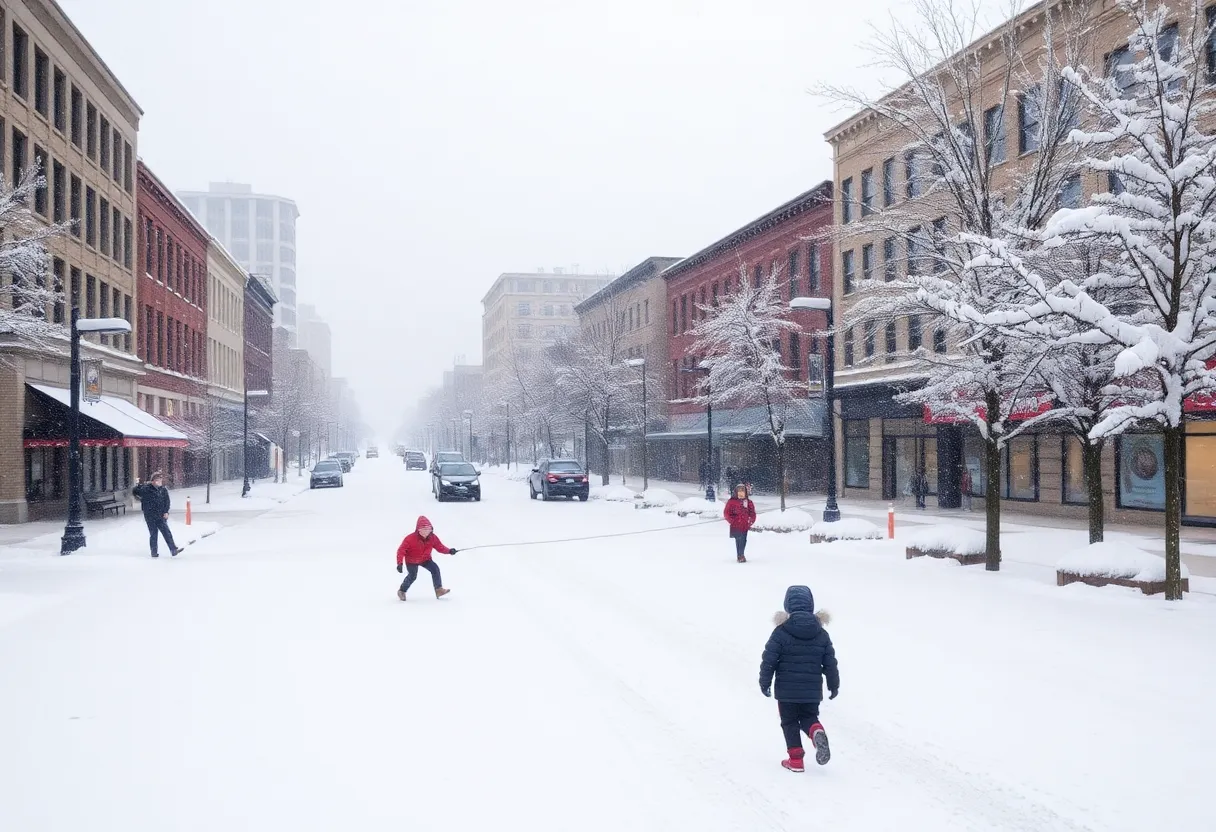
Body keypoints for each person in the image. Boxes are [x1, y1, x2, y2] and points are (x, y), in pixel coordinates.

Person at [759, 585, 839, 773]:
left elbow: (769, 659)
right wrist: (833, 685)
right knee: (808, 717)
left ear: (787, 606)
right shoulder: (821, 633)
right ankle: (815, 730)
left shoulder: (781, 632)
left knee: (789, 721)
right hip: (811, 690)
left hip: (786, 691)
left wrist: (765, 682)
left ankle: (795, 760)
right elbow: (830, 662)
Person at [396, 515, 458, 601]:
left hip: (425, 559)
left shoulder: (432, 538)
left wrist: (449, 551)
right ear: (418, 530)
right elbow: (401, 551)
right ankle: (402, 591)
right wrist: (399, 563)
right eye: (423, 529)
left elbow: (440, 547)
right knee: (413, 576)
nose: (426, 532)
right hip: (412, 560)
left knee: (435, 569)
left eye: (428, 529)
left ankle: (438, 590)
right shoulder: (410, 539)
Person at [132, 472, 181, 558]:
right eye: (157, 480)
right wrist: (138, 486)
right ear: (153, 481)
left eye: (160, 480)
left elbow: (167, 502)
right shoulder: (146, 489)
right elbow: (135, 491)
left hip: (161, 515)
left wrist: (166, 511)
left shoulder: (163, 490)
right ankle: (154, 551)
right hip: (150, 515)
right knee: (153, 533)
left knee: (166, 532)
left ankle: (173, 549)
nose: (160, 482)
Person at [723, 483, 756, 563]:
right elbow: (726, 513)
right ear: (736, 492)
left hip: (745, 525)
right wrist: (732, 521)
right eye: (739, 491)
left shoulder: (748, 502)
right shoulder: (731, 502)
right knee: (739, 539)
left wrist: (749, 521)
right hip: (736, 525)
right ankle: (740, 555)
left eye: (743, 491)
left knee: (744, 540)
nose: (741, 493)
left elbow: (752, 513)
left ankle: (741, 554)